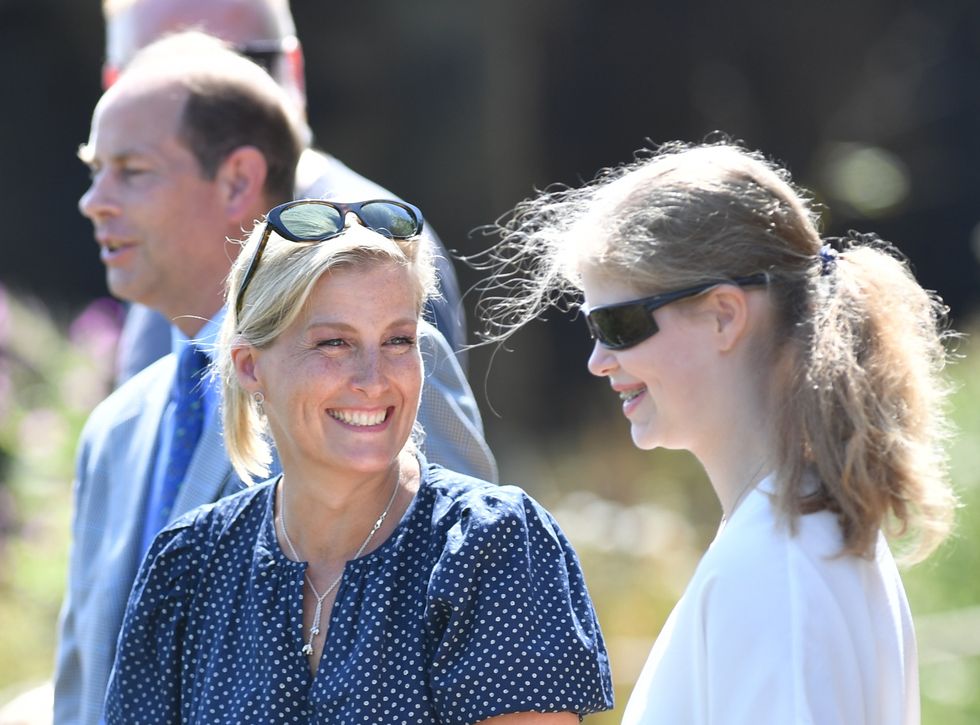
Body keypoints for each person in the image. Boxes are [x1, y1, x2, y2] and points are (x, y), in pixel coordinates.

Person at [54, 33, 496, 725]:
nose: (94, 201)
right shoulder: (115, 428)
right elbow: (85, 693)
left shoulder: (376, 371)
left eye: (131, 171)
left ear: (237, 180)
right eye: (94, 170)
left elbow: (470, 606)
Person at [481, 141, 957, 724]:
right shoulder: (803, 532)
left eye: (620, 324)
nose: (599, 360)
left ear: (723, 315)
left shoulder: (774, 563)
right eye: (592, 326)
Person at [103, 196, 614, 723]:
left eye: (398, 340)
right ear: (251, 367)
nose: (373, 380)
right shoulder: (187, 564)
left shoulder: (489, 544)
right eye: (334, 343)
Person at [101, 0, 468, 383]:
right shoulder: (152, 253)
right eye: (163, 79)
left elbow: (416, 436)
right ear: (114, 89)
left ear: (293, 69)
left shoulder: (384, 243)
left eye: (241, 64)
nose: (215, 106)